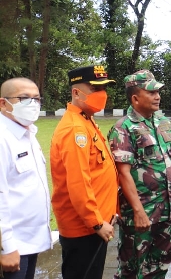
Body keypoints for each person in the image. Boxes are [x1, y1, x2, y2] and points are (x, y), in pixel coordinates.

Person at [107, 70, 171, 278]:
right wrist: (138, 211)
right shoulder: (123, 128)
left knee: (161, 264)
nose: (157, 96)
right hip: (142, 213)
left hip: (167, 210)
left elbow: (170, 162)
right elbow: (123, 174)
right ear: (135, 98)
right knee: (132, 268)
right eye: (151, 92)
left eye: (158, 91)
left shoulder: (163, 122)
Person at [50, 65, 119, 279]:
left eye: (104, 89)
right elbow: (79, 183)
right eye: (95, 89)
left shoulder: (86, 120)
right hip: (85, 227)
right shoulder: (75, 129)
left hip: (94, 224)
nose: (102, 95)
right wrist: (97, 222)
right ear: (76, 93)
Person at [0, 78, 52, 279]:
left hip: (30, 242)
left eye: (37, 99)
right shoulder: (3, 138)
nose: (32, 104)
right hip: (12, 246)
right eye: (24, 98)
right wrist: (7, 247)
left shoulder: (28, 133)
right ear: (3, 103)